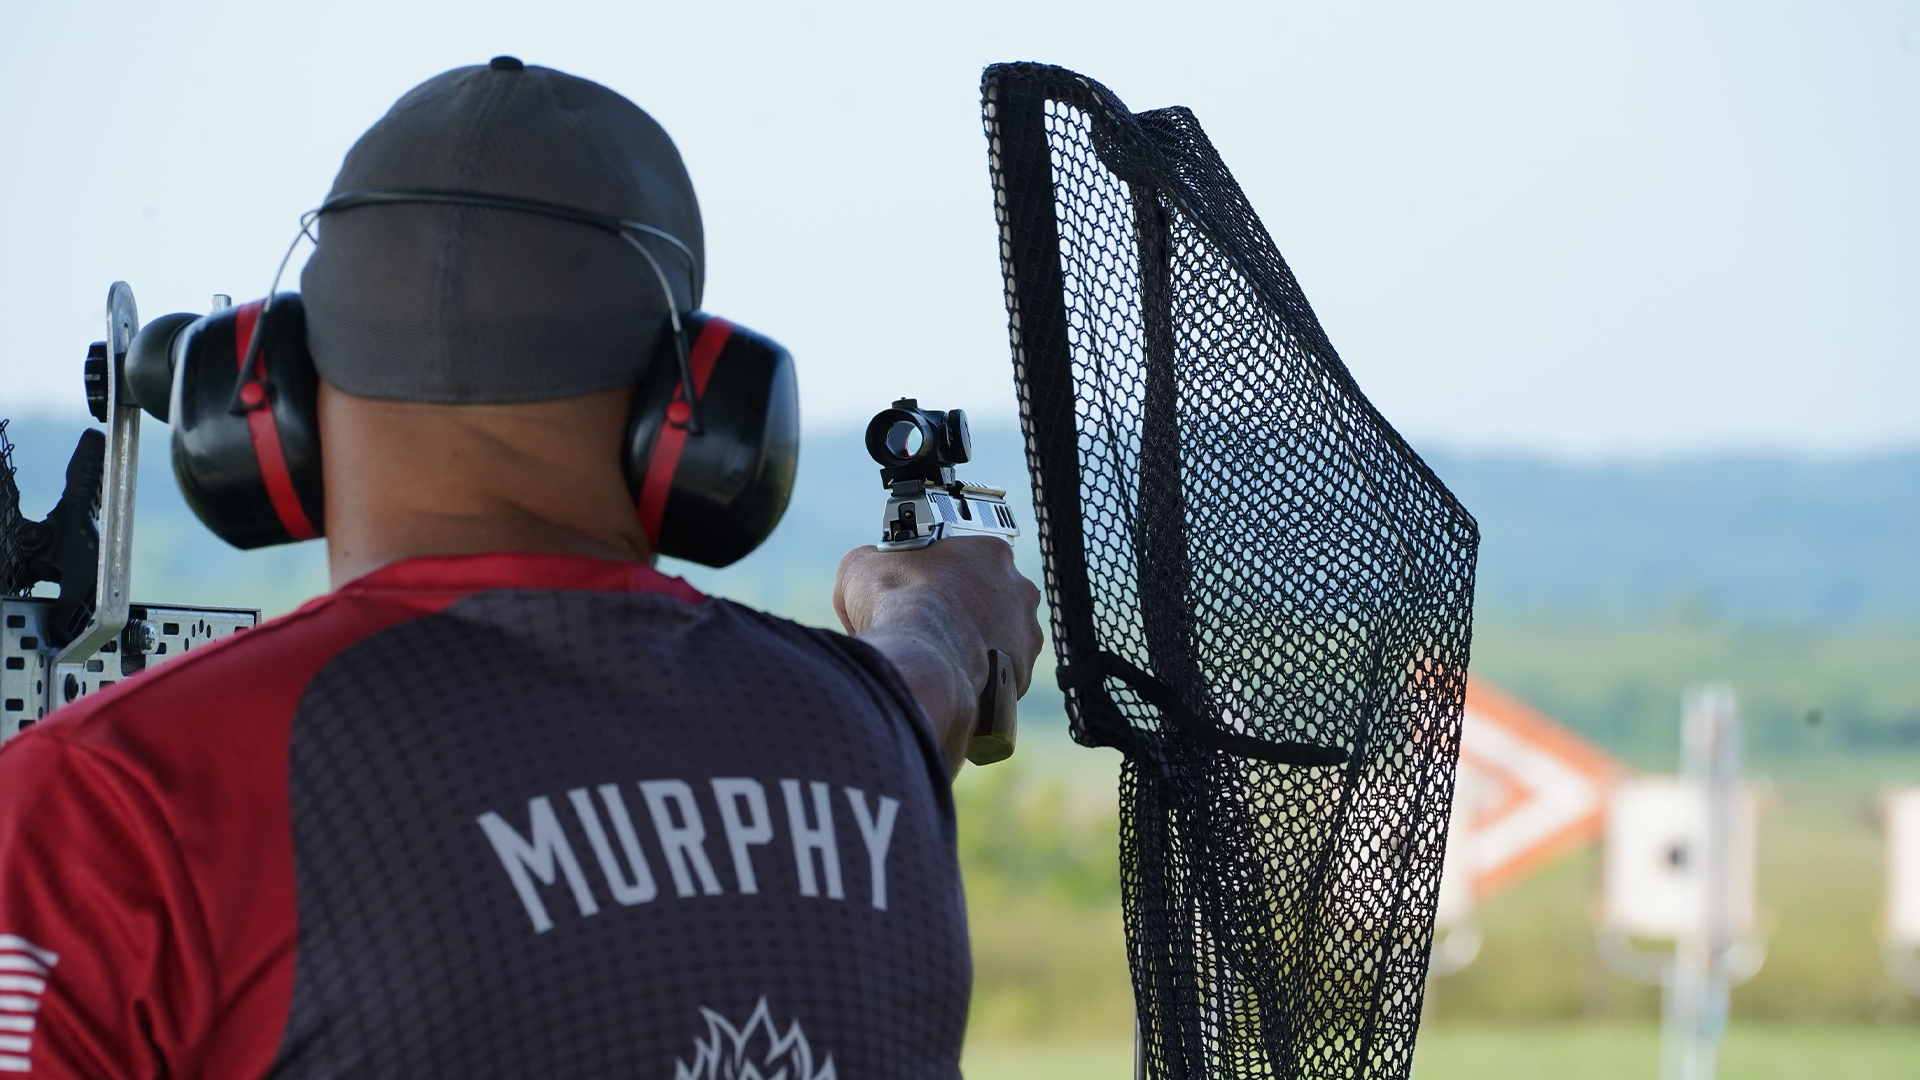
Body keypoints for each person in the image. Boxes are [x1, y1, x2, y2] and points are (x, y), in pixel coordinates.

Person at [0, 59, 1041, 1079]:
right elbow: (924, 683)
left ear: (255, 395)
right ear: (707, 412)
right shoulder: (862, 742)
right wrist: (938, 607)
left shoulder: (111, 803)